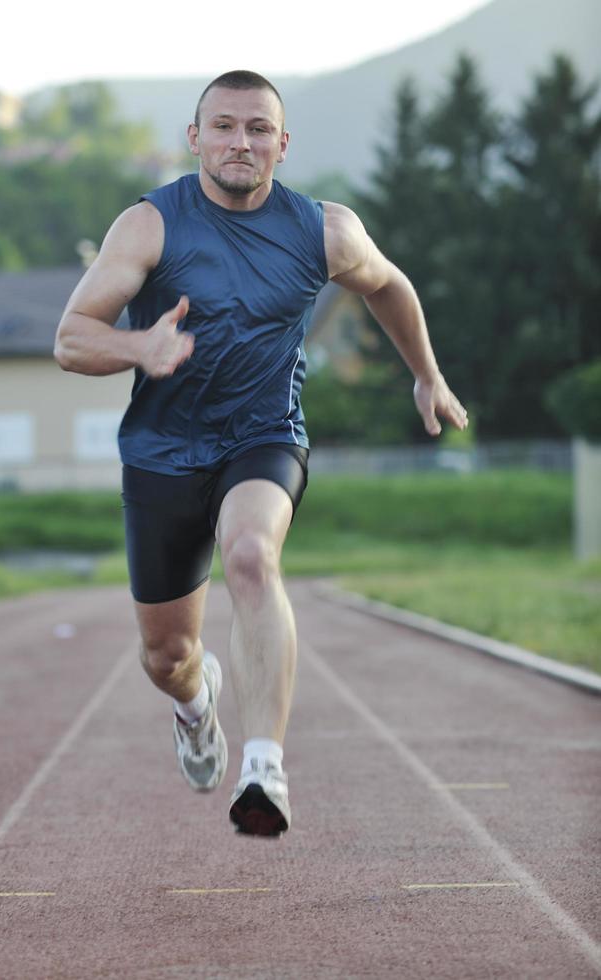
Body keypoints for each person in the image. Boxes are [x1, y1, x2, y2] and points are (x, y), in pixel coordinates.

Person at [54, 70, 468, 837]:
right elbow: (71, 338)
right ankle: (195, 706)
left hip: (264, 438)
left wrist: (427, 375)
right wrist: (139, 344)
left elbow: (389, 285)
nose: (238, 142)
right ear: (195, 137)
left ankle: (264, 770)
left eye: (255, 128)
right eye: (222, 126)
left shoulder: (323, 230)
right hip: (163, 453)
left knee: (251, 557)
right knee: (166, 656)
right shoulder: (149, 225)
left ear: (282, 143)